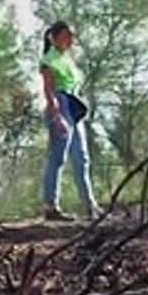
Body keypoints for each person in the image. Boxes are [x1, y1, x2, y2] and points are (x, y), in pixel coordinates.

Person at [39, 21, 99, 221]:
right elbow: (49, 90)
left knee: (82, 159)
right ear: (54, 38)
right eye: (66, 35)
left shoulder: (68, 59)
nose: (71, 39)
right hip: (60, 105)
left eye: (72, 36)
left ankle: (90, 206)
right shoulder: (49, 58)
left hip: (73, 108)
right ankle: (51, 206)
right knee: (58, 158)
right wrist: (57, 117)